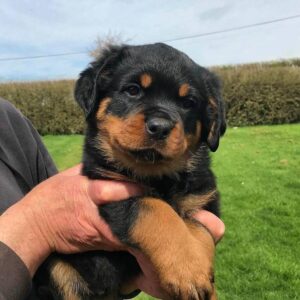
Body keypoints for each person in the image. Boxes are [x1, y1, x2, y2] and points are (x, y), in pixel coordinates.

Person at [0, 97, 225, 300]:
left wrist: (133, 277)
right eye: (132, 91)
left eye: (187, 103)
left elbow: (69, 205)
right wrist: (34, 225)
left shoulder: (7, 119)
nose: (158, 121)